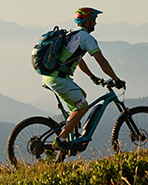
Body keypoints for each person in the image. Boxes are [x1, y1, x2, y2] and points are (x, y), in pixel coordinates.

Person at [42, 8, 125, 151]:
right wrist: (116, 79)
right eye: (94, 20)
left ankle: (68, 130)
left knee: (82, 97)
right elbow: (101, 61)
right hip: (59, 79)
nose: (95, 23)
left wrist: (92, 77)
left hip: (51, 76)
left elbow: (78, 60)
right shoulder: (87, 38)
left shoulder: (72, 35)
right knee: (83, 107)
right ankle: (61, 140)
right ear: (87, 22)